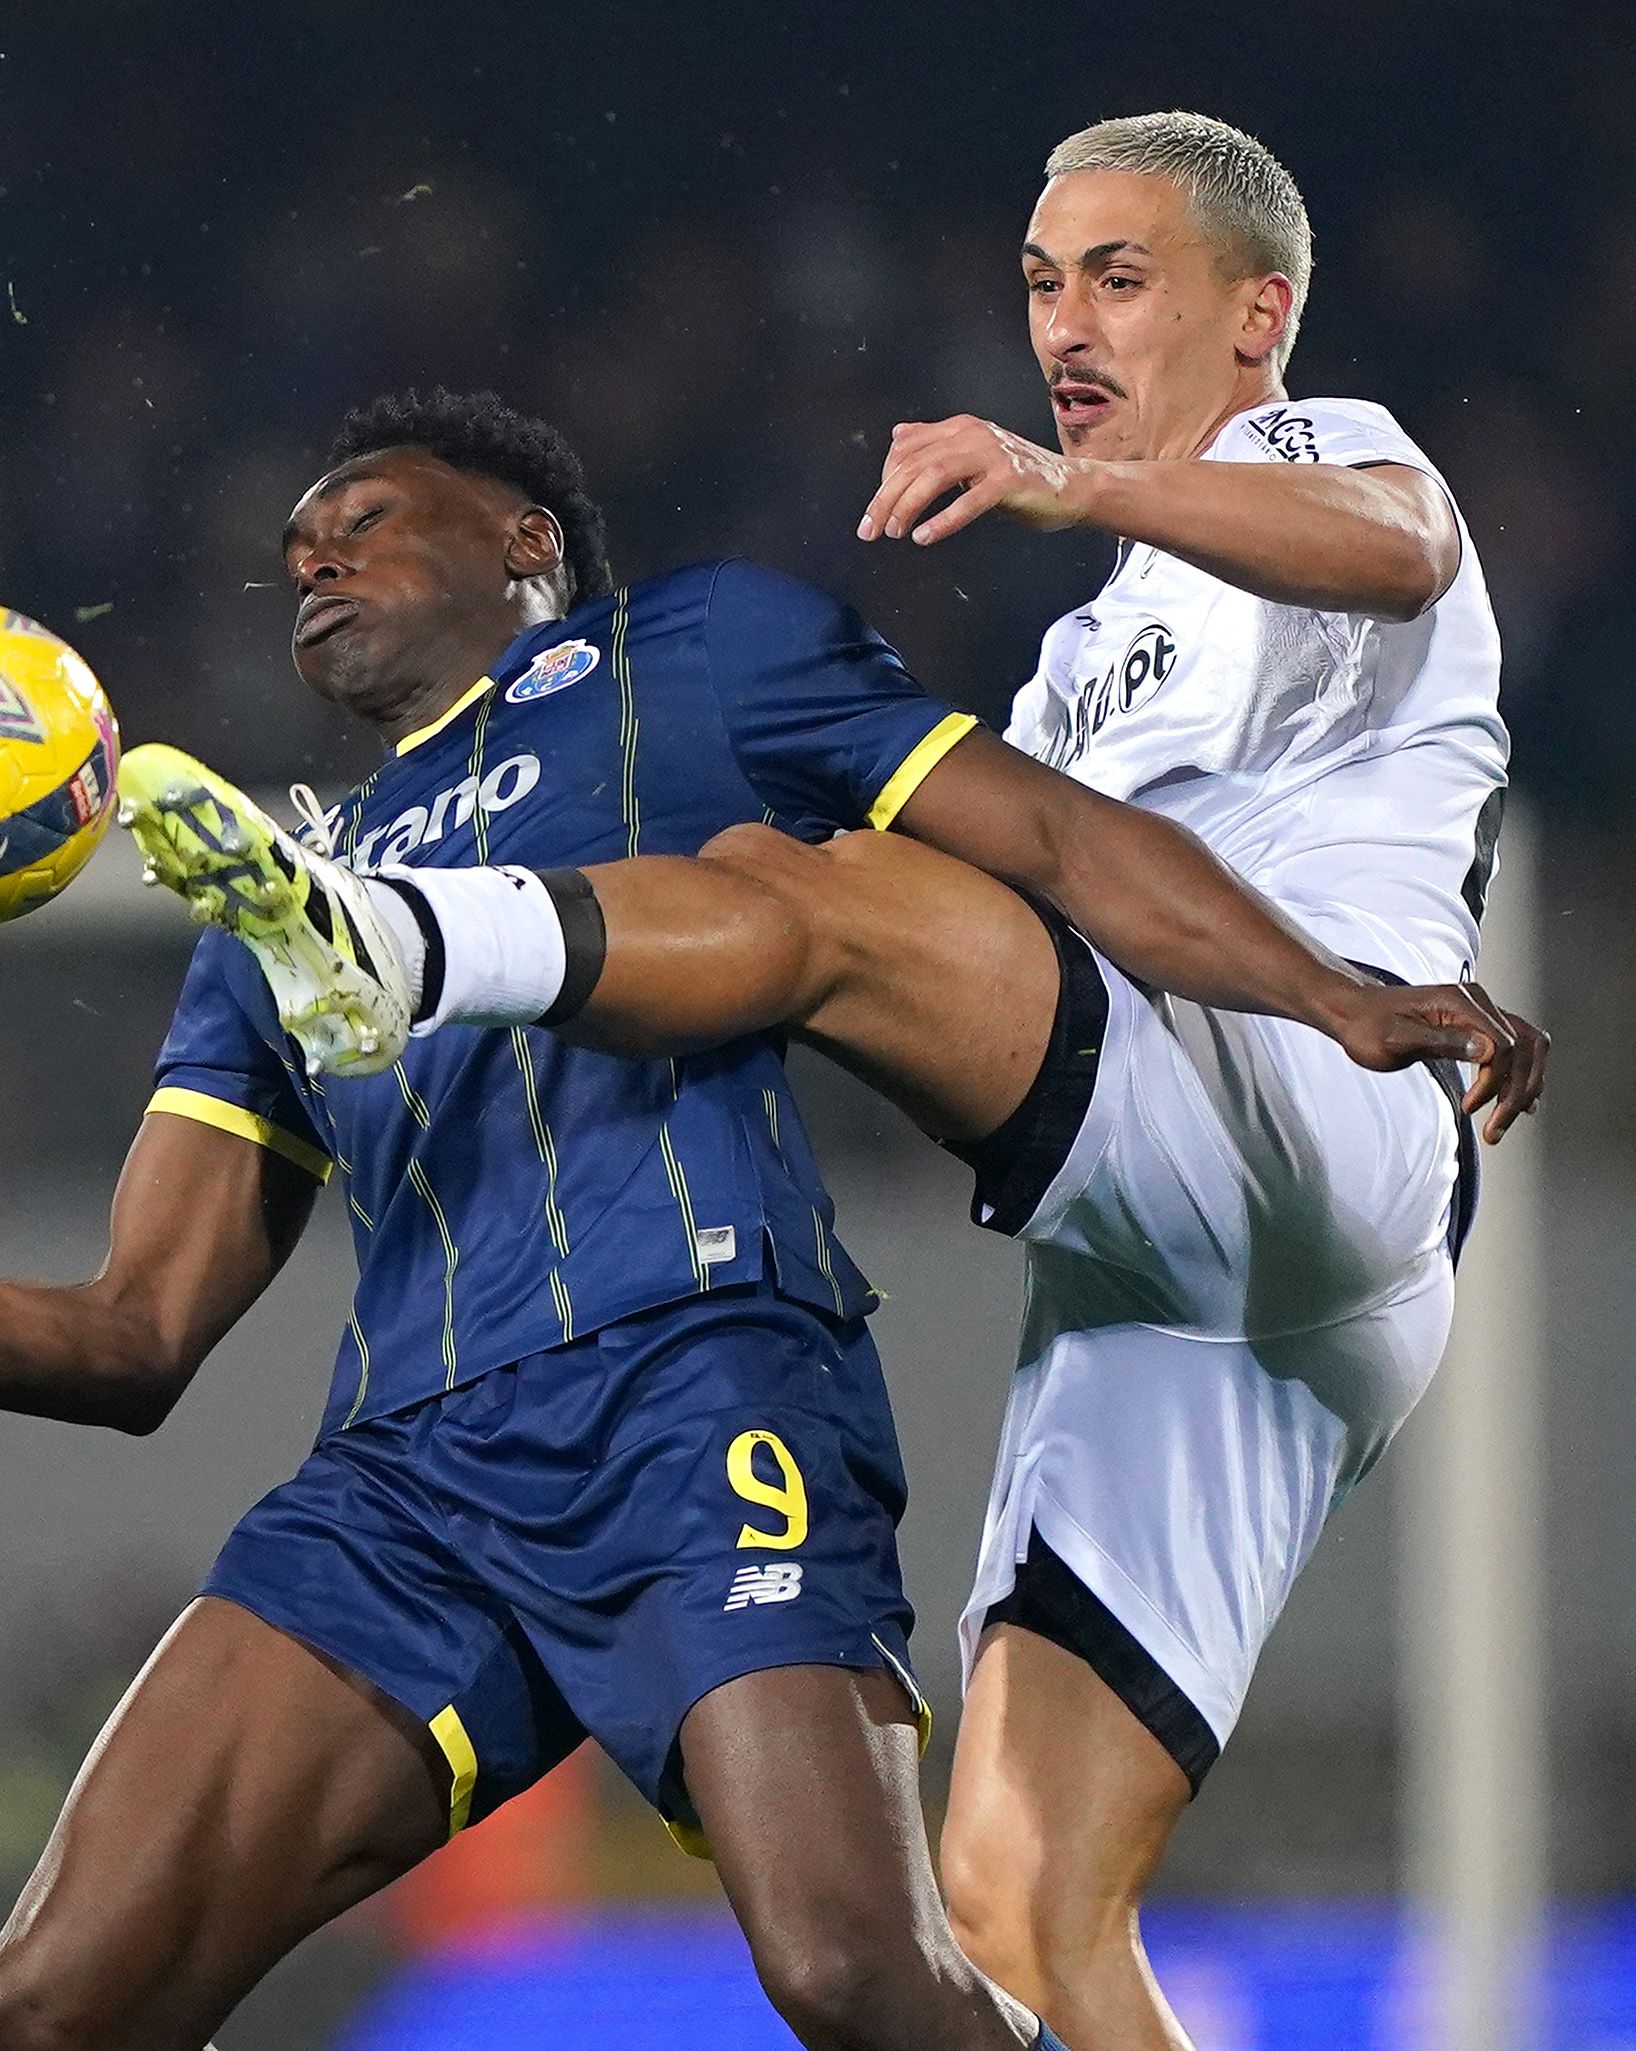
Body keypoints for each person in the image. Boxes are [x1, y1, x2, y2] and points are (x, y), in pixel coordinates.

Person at [0, 378, 1444, 2050]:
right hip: (412, 1487)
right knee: (57, 1999)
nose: (313, 562)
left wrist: (1333, 995)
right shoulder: (271, 893)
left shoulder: (695, 654)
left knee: (860, 1977)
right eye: (289, 551)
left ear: (523, 536)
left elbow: (1053, 837)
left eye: (358, 521)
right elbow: (131, 1336)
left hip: (701, 1387)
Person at [117, 115, 1534, 2051]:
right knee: (1018, 1904)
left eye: (1115, 276)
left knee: (799, 891)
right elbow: (1011, 882)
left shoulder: (1306, 456)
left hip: (1316, 1103)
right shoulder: (1075, 671)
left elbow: (1402, 545)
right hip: (1186, 1287)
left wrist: (1053, 490)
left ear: (1252, 310)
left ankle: (404, 948)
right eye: (1038, 282)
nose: (1061, 322)